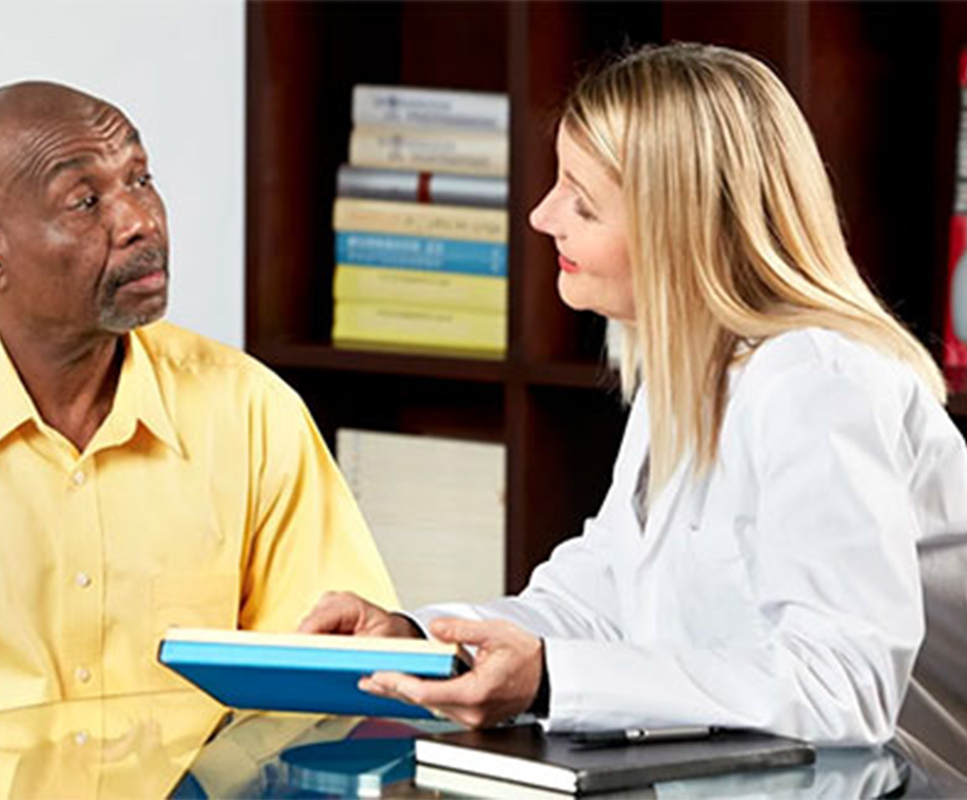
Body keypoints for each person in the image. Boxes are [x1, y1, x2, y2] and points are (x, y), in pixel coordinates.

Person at [300, 43, 967, 748]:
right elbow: (601, 599)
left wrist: (553, 678)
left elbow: (843, 688)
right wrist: (419, 642)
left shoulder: (819, 382)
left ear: (679, 229)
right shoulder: (685, 376)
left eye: (582, 203)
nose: (541, 216)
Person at [0, 81, 396, 797]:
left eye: (141, 179)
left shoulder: (250, 411)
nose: (140, 221)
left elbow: (330, 678)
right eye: (86, 201)